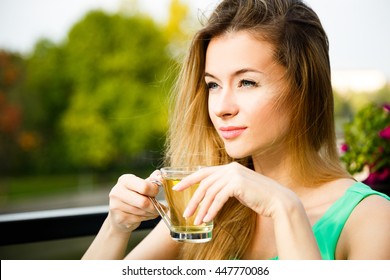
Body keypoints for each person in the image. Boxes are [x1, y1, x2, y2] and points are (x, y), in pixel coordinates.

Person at [82, 0, 390, 260]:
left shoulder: (370, 218)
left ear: (303, 90)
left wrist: (285, 208)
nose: (221, 107)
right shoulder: (206, 204)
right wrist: (116, 227)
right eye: (213, 85)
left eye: (246, 82)